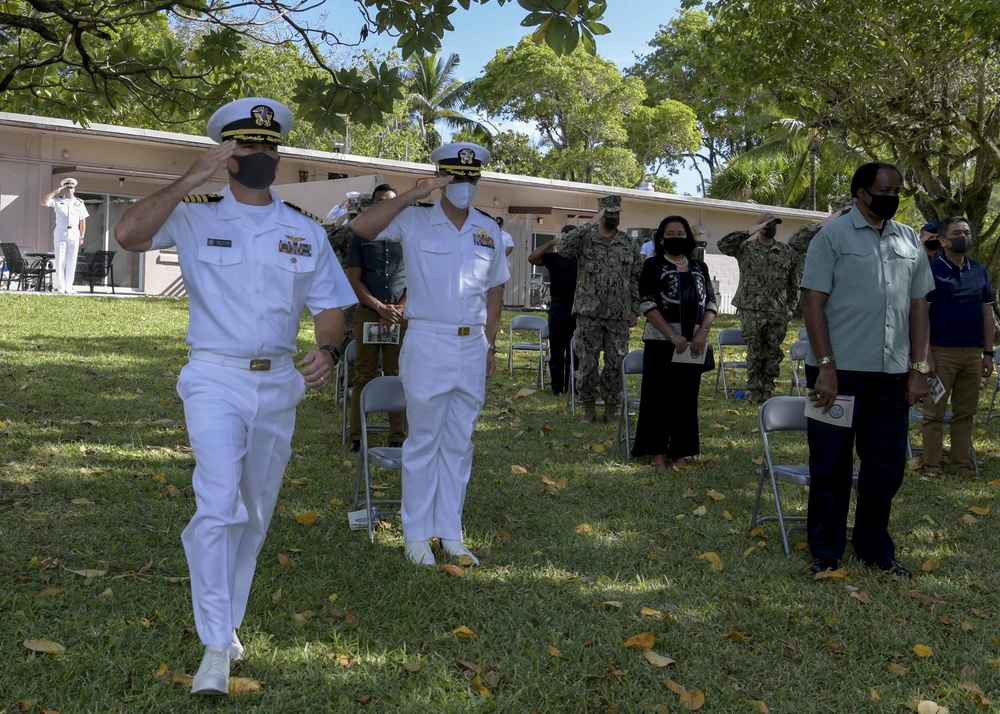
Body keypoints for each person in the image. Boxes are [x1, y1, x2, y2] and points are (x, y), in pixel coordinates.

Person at [114, 97, 356, 696]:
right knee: (218, 504)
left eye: (269, 147)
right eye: (247, 145)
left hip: (279, 382)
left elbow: (330, 305)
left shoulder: (302, 229)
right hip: (214, 377)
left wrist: (329, 351)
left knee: (253, 512)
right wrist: (191, 175)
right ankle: (215, 647)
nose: (261, 156)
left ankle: (229, 622)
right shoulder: (193, 212)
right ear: (226, 151)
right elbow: (128, 234)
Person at [351, 142, 509, 567]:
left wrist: (489, 343)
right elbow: (363, 229)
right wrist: (410, 195)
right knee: (423, 441)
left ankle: (451, 533)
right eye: (456, 177)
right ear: (441, 178)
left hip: (472, 343)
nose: (465, 185)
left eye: (471, 178)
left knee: (459, 442)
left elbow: (494, 290)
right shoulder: (414, 220)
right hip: (427, 339)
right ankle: (416, 535)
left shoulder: (488, 230)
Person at [801, 161, 933, 579]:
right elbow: (812, 301)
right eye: (885, 190)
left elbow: (920, 307)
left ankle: (874, 547)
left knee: (887, 465)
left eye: (897, 190)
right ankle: (826, 550)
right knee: (830, 464)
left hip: (891, 376)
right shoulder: (831, 237)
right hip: (836, 374)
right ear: (861, 193)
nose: (892, 197)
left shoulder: (910, 239)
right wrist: (826, 366)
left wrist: (919, 367)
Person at [631, 216, 718, 467]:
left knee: (686, 398)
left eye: (681, 234)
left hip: (694, 345)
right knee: (657, 397)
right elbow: (647, 302)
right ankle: (656, 451)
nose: (677, 237)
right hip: (661, 341)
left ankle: (680, 451)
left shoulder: (699, 267)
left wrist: (702, 332)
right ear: (661, 237)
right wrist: (672, 334)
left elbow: (711, 302)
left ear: (688, 238)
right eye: (671, 233)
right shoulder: (653, 265)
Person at [557, 195, 642, 423]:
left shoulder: (627, 243)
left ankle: (611, 411)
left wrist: (635, 308)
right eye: (609, 213)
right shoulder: (586, 239)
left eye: (616, 213)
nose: (613, 217)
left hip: (618, 314)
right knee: (587, 363)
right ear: (600, 213)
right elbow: (563, 248)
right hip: (588, 312)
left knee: (616, 363)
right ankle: (589, 410)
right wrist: (588, 224)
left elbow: (636, 277)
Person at [923, 216, 995, 478]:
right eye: (956, 232)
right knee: (934, 412)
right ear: (942, 240)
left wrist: (988, 353)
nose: (963, 235)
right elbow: (922, 316)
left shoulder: (980, 271)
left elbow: (987, 315)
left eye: (966, 230)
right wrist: (926, 355)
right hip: (940, 354)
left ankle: (960, 466)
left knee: (965, 414)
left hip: (973, 355)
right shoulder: (931, 271)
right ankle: (931, 466)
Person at [345, 184, 407, 453]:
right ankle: (357, 437)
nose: (386, 205)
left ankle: (397, 436)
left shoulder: (407, 236)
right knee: (364, 376)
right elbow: (354, 280)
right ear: (372, 205)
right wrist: (380, 308)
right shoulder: (359, 236)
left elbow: (417, 279)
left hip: (399, 317)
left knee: (396, 375)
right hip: (369, 314)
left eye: (391, 201)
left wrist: (397, 310)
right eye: (381, 201)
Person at [718, 211, 800, 403]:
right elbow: (723, 245)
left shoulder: (785, 251)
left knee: (773, 351)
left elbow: (794, 281)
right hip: (751, 309)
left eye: (775, 225)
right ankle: (753, 390)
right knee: (755, 351)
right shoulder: (745, 248)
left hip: (777, 309)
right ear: (759, 227)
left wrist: (791, 306)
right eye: (768, 224)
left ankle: (767, 390)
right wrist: (748, 232)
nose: (772, 228)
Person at [527, 225, 578, 395]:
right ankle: (557, 388)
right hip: (558, 307)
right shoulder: (554, 257)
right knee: (557, 350)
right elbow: (532, 258)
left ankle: (573, 388)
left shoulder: (582, 258)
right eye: (565, 238)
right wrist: (550, 243)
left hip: (578, 308)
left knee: (575, 351)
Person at [40, 177, 88, 294]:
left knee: (72, 260)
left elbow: (82, 221)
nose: (70, 190)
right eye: (67, 188)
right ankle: (61, 287)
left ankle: (69, 287)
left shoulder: (79, 203)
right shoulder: (57, 200)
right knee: (60, 259)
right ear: (64, 189)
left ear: (74, 189)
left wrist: (82, 236)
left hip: (74, 232)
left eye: (71, 188)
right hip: (61, 231)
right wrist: (54, 192)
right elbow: (43, 202)